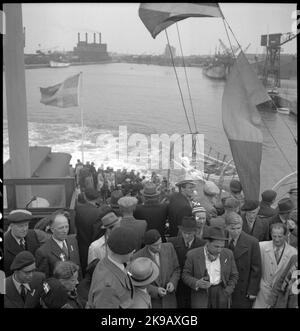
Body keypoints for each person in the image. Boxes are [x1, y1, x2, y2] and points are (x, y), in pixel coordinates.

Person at [182, 226, 239, 308]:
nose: (219, 250)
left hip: (221, 292)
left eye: (222, 247)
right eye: (216, 246)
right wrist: (197, 283)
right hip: (200, 295)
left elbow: (234, 275)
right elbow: (185, 275)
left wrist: (228, 291)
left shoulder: (228, 254)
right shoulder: (192, 255)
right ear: (207, 243)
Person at [87, 226, 137, 308]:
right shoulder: (107, 288)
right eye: (132, 250)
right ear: (125, 253)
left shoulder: (110, 262)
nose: (134, 251)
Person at [133, 229, 180, 308]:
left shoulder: (169, 247)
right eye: (155, 245)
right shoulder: (137, 257)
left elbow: (177, 269)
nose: (159, 247)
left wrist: (173, 283)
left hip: (170, 301)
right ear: (147, 245)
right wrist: (155, 290)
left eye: (160, 243)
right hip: (152, 302)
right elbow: (135, 283)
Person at [253, 223, 297, 308]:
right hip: (262, 293)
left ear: (285, 235)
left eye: (280, 236)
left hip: (280, 295)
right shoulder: (260, 246)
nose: (276, 239)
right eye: (274, 236)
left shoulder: (293, 253)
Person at [225, 212, 262, 308]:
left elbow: (256, 269)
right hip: (224, 285)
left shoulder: (252, 242)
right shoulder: (221, 239)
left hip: (243, 288)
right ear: (226, 227)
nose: (236, 231)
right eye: (232, 229)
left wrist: (252, 291)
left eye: (239, 228)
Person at [168, 217, 206, 308]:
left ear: (195, 231)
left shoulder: (202, 244)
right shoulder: (172, 242)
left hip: (194, 284)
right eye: (184, 233)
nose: (187, 236)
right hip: (178, 284)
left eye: (189, 233)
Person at [35, 212, 82, 278]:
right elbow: (44, 278)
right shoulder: (43, 252)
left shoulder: (73, 241)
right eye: (61, 228)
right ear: (52, 229)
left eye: (66, 227)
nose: (65, 230)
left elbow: (79, 268)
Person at [4, 210, 49, 276]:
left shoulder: (32, 235)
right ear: (11, 226)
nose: (24, 229)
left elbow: (39, 260)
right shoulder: (5, 243)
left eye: (26, 225)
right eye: (21, 226)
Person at [74, 188, 104, 273]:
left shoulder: (78, 210)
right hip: (94, 248)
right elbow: (97, 233)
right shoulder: (99, 212)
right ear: (97, 198)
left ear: (85, 197)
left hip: (81, 245)